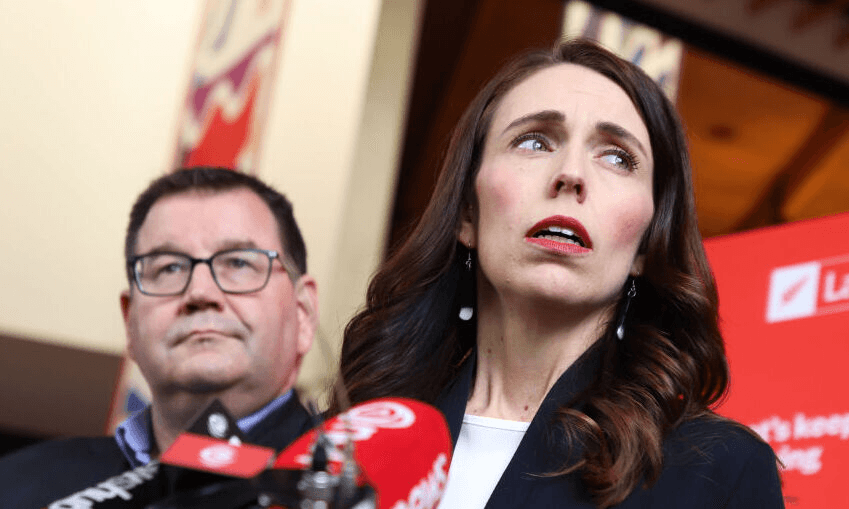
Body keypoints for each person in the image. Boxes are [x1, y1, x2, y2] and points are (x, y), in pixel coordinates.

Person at [332, 39, 784, 508]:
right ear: (467, 212)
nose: (571, 173)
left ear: (646, 246)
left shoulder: (720, 472)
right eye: (533, 141)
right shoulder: (350, 442)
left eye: (617, 157)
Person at [0, 167, 319, 508]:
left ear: (303, 315)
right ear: (130, 324)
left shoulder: (358, 480)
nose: (200, 292)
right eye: (169, 268)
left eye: (239, 262)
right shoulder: (16, 484)